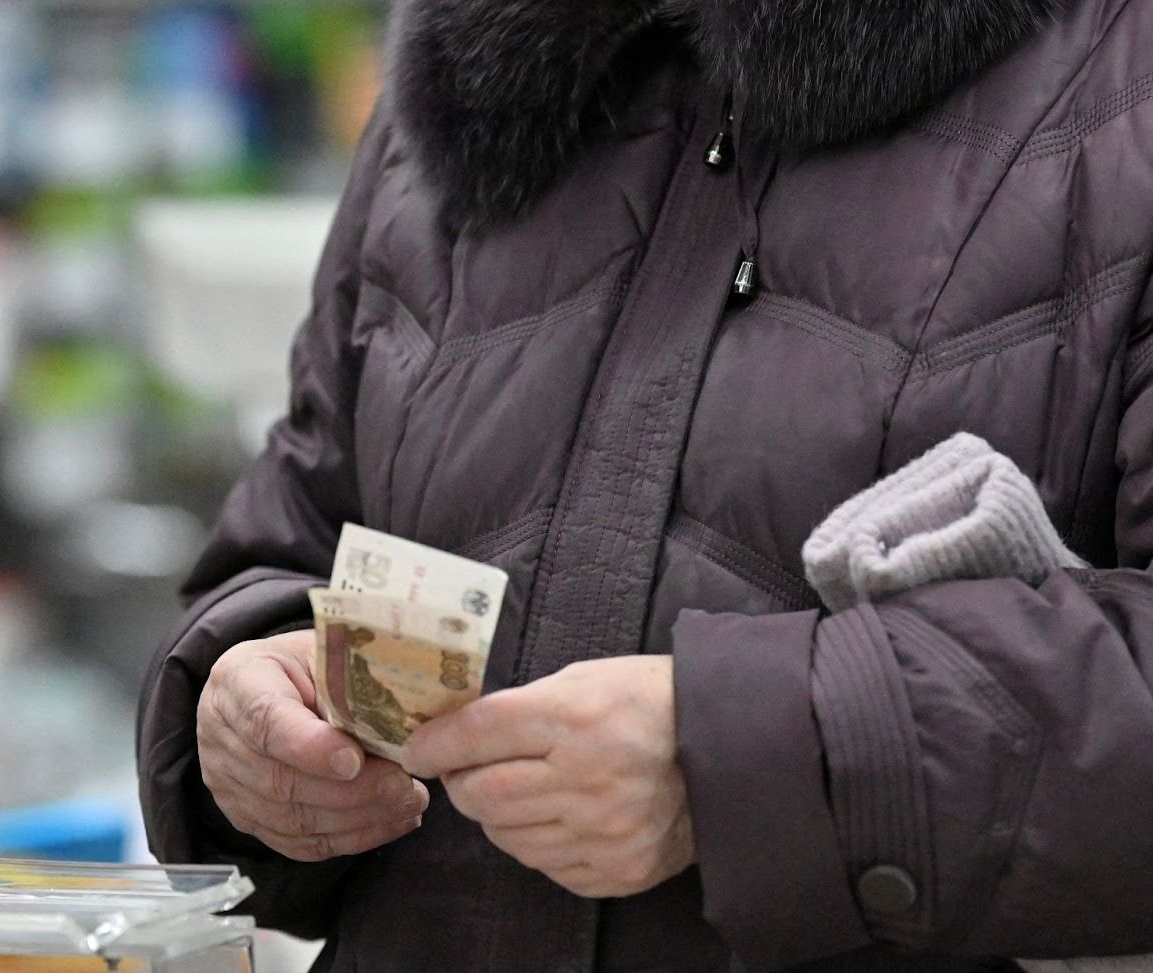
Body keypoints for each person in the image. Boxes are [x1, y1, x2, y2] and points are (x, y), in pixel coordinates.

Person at [137, 0, 1153, 968]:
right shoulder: (456, 69)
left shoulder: (1118, 86)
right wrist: (244, 720)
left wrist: (737, 758)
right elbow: (297, 535)